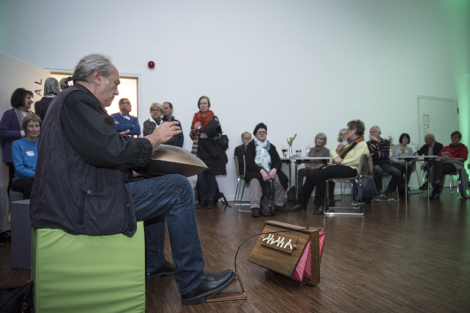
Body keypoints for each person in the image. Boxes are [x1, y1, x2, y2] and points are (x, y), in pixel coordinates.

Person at [30, 54, 235, 305]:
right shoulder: (77, 100)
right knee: (179, 188)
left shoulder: (71, 101)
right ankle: (193, 282)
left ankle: (154, 262)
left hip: (76, 198)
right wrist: (155, 138)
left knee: (158, 184)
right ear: (97, 76)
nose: (117, 92)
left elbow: (94, 158)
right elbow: (111, 150)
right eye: (115, 83)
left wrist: (134, 169)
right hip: (80, 206)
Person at [290, 120, 370, 214]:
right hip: (340, 166)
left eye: (348, 129)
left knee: (321, 174)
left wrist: (341, 162)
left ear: (354, 130)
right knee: (312, 175)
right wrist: (336, 157)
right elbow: (333, 150)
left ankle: (322, 205)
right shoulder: (347, 142)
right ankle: (301, 204)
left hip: (350, 169)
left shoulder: (362, 144)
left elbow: (356, 160)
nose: (347, 131)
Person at [245, 123, 288, 217]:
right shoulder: (251, 146)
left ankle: (278, 204)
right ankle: (255, 207)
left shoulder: (271, 146)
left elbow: (278, 162)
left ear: (266, 134)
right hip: (255, 170)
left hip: (270, 169)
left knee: (281, 179)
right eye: (259, 132)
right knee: (255, 181)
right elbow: (249, 163)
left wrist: (274, 170)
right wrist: (261, 170)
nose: (261, 133)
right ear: (255, 134)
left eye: (264, 132)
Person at [0, 88, 34, 194]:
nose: (31, 101)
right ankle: (9, 208)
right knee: (14, 181)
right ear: (20, 98)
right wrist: (22, 133)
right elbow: (2, 132)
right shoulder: (9, 114)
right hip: (13, 154)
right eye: (28, 98)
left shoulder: (31, 114)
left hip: (30, 155)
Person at [197, 117, 228, 208]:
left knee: (211, 178)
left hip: (214, 160)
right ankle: (203, 199)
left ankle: (210, 200)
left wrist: (213, 136)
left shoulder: (220, 136)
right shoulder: (202, 136)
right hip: (203, 158)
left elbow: (224, 146)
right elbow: (202, 147)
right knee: (202, 178)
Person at [430, 131, 468, 199]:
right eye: (452, 137)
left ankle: (436, 191)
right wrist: (442, 157)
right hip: (444, 163)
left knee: (437, 170)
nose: (453, 138)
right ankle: (437, 182)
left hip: (455, 164)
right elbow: (437, 157)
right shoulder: (446, 147)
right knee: (436, 163)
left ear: (459, 139)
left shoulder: (463, 147)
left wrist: (451, 158)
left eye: (455, 137)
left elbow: (463, 159)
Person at [11, 114, 42, 199]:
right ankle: (27, 211)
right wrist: (37, 175)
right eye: (31, 126)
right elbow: (19, 169)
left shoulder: (43, 143)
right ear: (25, 128)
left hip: (39, 177)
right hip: (21, 179)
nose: (34, 129)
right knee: (31, 185)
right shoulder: (17, 144)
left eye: (37, 126)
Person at [367, 126, 401, 201]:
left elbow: (385, 154)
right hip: (373, 164)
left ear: (379, 133)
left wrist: (375, 154)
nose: (372, 133)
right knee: (378, 171)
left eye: (374, 132)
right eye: (370, 132)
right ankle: (377, 192)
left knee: (397, 173)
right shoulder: (368, 143)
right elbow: (369, 153)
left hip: (385, 164)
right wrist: (374, 142)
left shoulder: (385, 142)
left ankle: (389, 191)